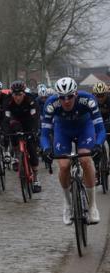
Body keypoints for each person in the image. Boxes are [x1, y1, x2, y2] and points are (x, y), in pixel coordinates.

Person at [41, 77, 106, 225]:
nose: (66, 101)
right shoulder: (51, 104)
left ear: (76, 94)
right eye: (62, 97)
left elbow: (100, 129)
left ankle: (92, 206)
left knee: (85, 160)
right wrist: (46, 149)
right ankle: (68, 205)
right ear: (58, 97)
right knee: (63, 166)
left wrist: (98, 145)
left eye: (70, 96)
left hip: (84, 129)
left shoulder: (88, 100)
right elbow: (44, 133)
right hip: (63, 131)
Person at [3, 80, 42, 193]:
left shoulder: (30, 99)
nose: (18, 97)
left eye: (20, 94)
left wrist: (35, 130)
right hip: (15, 121)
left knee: (32, 150)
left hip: (29, 122)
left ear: (24, 93)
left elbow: (35, 116)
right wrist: (6, 132)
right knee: (12, 132)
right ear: (12, 94)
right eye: (15, 94)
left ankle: (36, 178)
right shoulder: (8, 101)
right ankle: (16, 155)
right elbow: (6, 118)